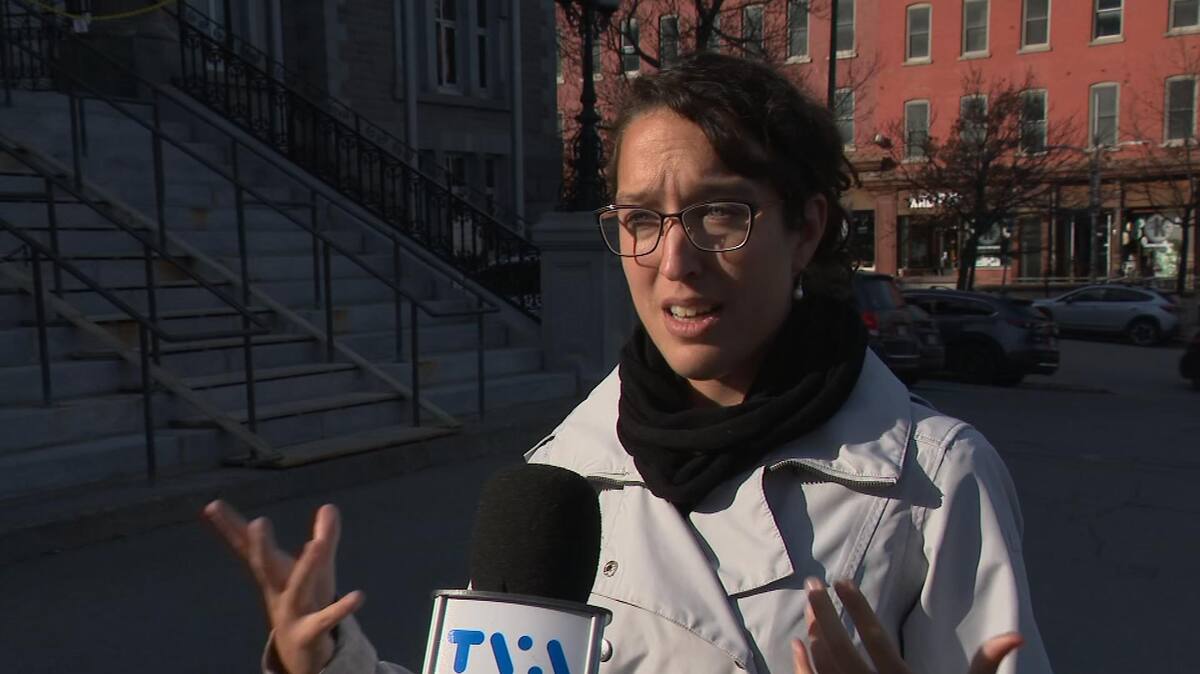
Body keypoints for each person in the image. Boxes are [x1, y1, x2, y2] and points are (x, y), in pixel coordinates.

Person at [205, 52, 1052, 674]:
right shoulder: (561, 479)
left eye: (721, 214)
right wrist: (325, 656)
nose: (674, 263)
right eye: (641, 220)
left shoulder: (931, 480)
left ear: (807, 227)